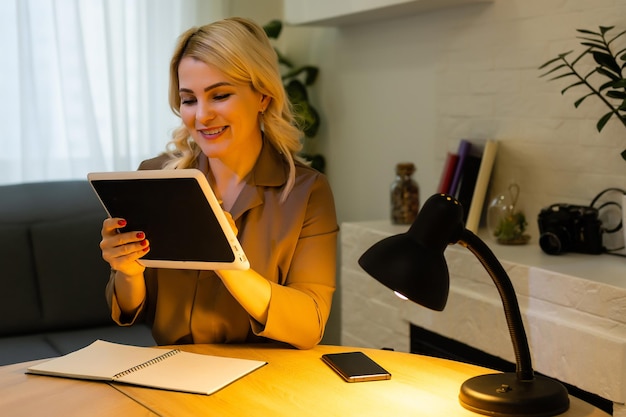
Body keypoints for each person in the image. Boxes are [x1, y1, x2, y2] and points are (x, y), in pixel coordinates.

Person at [99, 17, 338, 350]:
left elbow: (309, 324)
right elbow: (130, 309)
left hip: (263, 379)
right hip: (170, 372)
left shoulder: (307, 192)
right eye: (189, 100)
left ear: (263, 97)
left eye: (220, 95)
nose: (202, 116)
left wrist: (228, 261)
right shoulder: (157, 178)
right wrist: (127, 271)